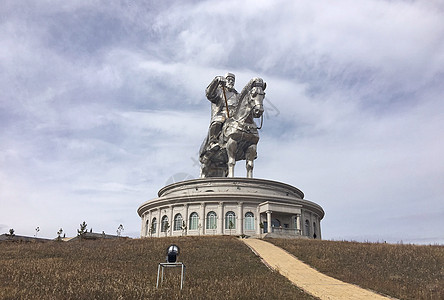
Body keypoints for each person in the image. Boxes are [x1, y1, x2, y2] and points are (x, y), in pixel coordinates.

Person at [205, 72, 239, 152]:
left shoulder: (237, 95)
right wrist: (216, 81)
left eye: (233, 80)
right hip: (223, 113)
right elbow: (209, 94)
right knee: (218, 121)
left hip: (235, 116)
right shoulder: (220, 91)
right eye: (229, 80)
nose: (231, 82)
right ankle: (213, 141)